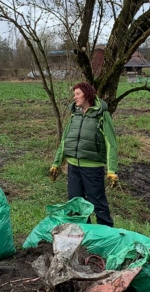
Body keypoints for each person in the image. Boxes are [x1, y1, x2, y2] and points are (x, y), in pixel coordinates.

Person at [49, 82, 119, 226]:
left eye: (77, 94)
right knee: (75, 203)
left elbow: (111, 144)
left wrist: (112, 170)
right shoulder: (74, 116)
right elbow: (64, 141)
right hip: (73, 167)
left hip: (92, 168)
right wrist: (57, 163)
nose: (74, 98)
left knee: (97, 203)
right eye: (74, 94)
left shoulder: (102, 115)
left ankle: (106, 235)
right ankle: (84, 234)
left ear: (87, 94)